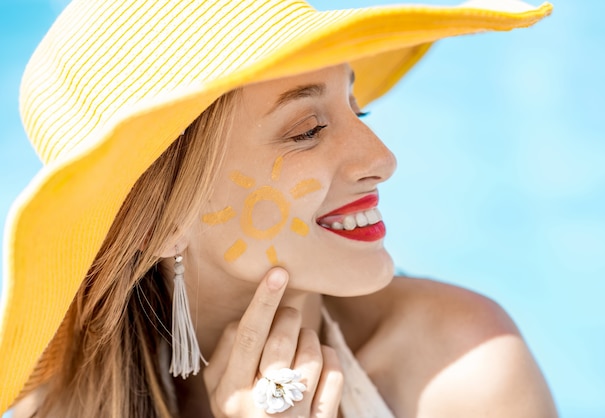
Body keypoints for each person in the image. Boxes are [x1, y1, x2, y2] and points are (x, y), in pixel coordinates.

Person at [0, 0, 559, 417]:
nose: (382, 160)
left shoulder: (461, 371)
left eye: (356, 110)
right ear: (163, 220)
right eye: (308, 130)